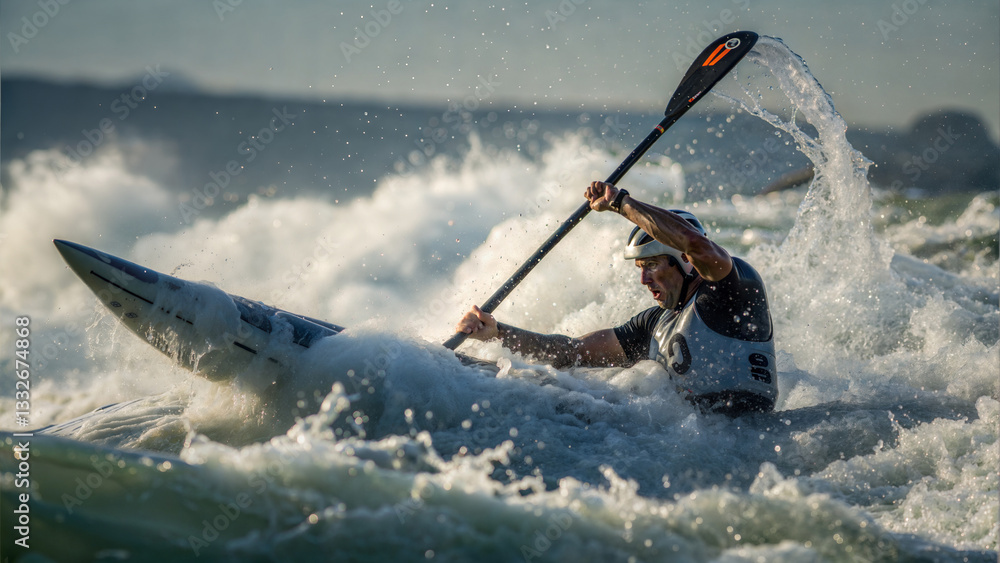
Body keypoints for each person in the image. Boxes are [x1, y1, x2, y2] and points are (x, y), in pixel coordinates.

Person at [454, 181, 777, 416]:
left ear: (684, 261)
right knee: (560, 393)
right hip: (701, 443)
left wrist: (621, 203)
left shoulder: (731, 292)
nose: (643, 279)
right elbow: (570, 352)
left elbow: (696, 243)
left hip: (750, 438)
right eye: (640, 268)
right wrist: (498, 332)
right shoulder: (654, 324)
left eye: (651, 265)